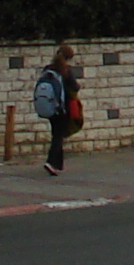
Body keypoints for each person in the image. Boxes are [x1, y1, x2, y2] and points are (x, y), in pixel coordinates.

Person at [32, 44, 81, 176]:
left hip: (50, 105)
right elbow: (75, 87)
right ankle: (51, 162)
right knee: (58, 136)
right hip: (62, 107)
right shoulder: (66, 70)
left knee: (57, 133)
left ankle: (59, 164)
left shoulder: (48, 69)